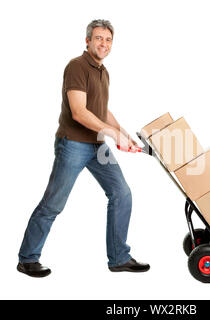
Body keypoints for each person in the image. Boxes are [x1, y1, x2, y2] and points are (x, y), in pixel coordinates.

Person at [17, 19, 150, 277]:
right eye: (99, 38)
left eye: (108, 40)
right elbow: (79, 112)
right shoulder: (77, 66)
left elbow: (102, 110)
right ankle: (27, 258)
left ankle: (119, 258)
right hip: (74, 144)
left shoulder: (103, 71)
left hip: (97, 145)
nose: (104, 44)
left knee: (122, 193)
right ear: (87, 40)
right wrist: (113, 134)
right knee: (54, 203)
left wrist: (123, 134)